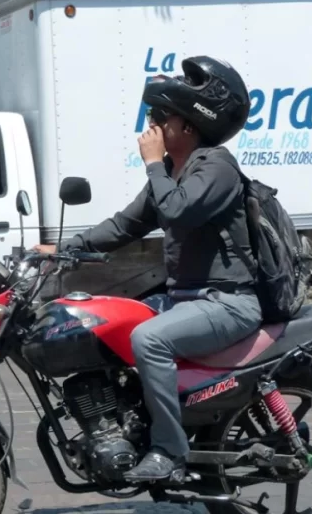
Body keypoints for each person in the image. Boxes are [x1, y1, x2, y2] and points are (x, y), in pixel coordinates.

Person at [34, 56, 261, 484]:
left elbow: (178, 211)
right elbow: (126, 225)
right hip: (185, 300)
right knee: (105, 323)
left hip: (228, 302)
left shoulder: (216, 166)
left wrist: (154, 163)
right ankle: (127, 425)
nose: (150, 127)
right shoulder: (175, 170)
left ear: (190, 125)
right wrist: (62, 250)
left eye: (160, 117)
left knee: (148, 338)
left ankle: (169, 451)